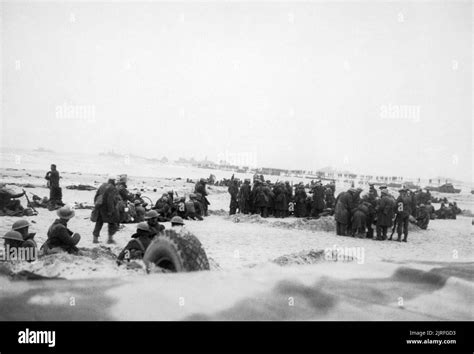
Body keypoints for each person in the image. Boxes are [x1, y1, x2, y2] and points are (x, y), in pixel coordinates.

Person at [91, 177, 120, 244]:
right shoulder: (113, 188)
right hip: (107, 208)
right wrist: (111, 210)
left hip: (99, 207)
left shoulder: (102, 186)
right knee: (112, 222)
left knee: (99, 223)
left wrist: (96, 205)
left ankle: (95, 239)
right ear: (114, 182)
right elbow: (110, 200)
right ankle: (110, 239)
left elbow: (96, 196)